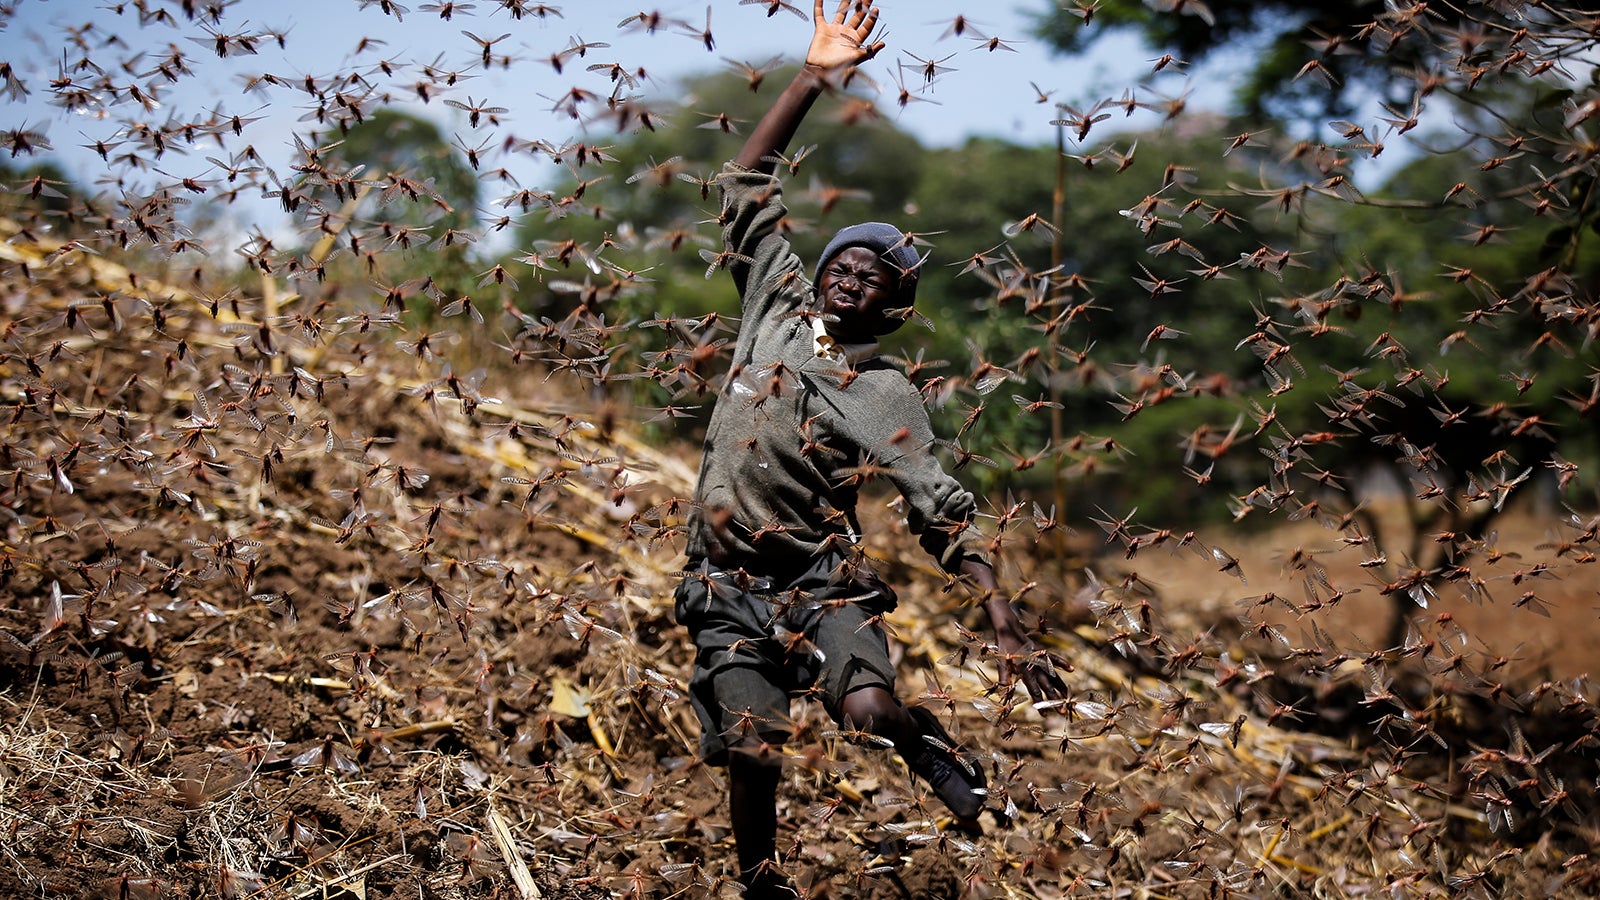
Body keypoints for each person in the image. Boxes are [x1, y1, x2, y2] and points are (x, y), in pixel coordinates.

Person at [673, 2, 1070, 895]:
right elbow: (744, 184)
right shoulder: (772, 310)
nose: (848, 278)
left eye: (872, 278)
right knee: (754, 744)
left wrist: (997, 606)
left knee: (866, 708)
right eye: (841, 264)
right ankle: (763, 882)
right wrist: (814, 77)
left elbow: (937, 501)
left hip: (819, 581)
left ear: (892, 307)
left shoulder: (884, 391)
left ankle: (919, 740)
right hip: (726, 583)